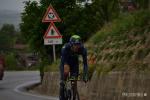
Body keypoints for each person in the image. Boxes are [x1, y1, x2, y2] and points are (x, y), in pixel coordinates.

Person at [59, 35, 88, 100]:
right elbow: (65, 63)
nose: (77, 46)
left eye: (78, 44)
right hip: (65, 61)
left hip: (74, 63)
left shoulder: (83, 49)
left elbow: (85, 64)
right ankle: (62, 90)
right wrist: (64, 76)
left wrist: (85, 74)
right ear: (71, 44)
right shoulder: (65, 48)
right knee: (66, 72)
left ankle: (74, 97)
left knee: (74, 80)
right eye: (75, 44)